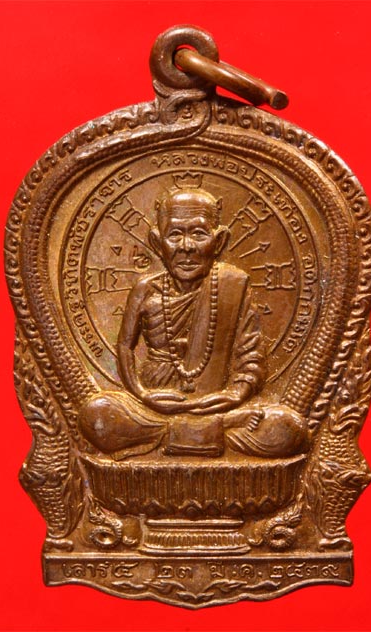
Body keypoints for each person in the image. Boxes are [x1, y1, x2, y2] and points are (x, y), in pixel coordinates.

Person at [79, 181, 307, 459]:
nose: (186, 247)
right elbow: (125, 346)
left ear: (219, 241)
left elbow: (251, 355)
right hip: (154, 407)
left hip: (218, 406)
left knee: (287, 428)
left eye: (199, 233)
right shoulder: (145, 289)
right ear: (157, 243)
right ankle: (210, 429)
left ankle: (184, 431)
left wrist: (236, 394)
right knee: (97, 415)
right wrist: (142, 394)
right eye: (175, 234)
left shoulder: (233, 285)